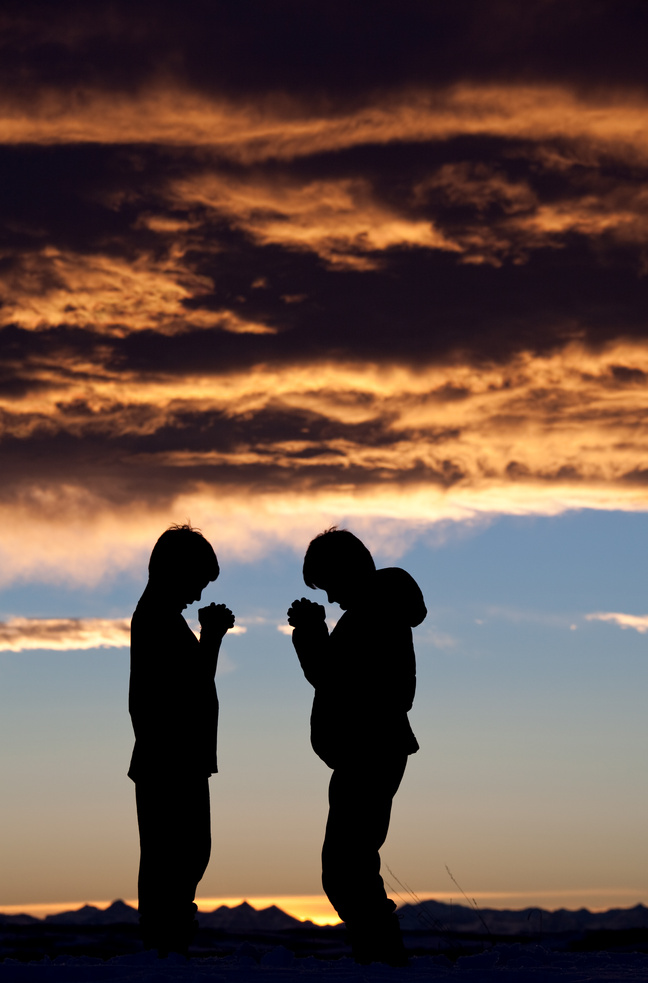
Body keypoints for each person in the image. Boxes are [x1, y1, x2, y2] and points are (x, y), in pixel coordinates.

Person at [287, 528, 426, 965]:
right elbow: (338, 679)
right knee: (352, 866)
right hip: (368, 752)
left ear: (346, 572)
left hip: (369, 752)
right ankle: (381, 956)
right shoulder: (373, 610)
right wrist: (315, 634)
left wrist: (311, 633)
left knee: (347, 870)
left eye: (329, 585)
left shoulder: (375, 612)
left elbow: (339, 681)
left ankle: (384, 958)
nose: (330, 598)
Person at [128, 524, 234, 957]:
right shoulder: (157, 618)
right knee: (175, 855)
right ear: (175, 571)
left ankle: (168, 937)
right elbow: (190, 683)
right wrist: (212, 636)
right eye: (196, 583)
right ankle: (165, 942)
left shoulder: (162, 617)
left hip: (176, 757)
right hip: (168, 758)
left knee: (184, 854)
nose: (197, 595)